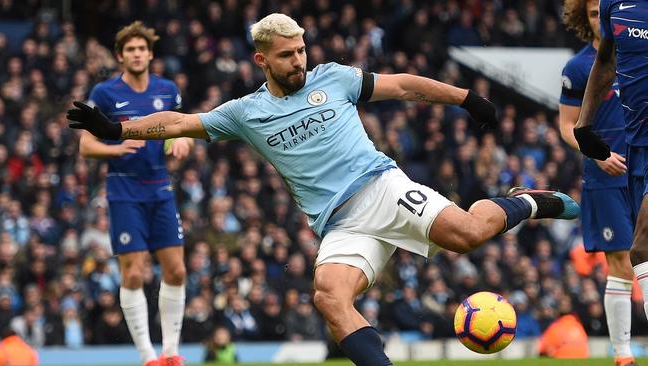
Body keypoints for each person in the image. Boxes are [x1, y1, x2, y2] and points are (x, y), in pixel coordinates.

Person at [68, 13, 580, 366]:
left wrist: (466, 98)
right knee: (329, 298)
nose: (299, 60)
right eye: (287, 55)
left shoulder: (332, 78)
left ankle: (529, 200)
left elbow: (402, 85)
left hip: (381, 187)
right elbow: (179, 121)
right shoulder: (244, 114)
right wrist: (120, 130)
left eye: (302, 50)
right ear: (261, 60)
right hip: (340, 223)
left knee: (467, 233)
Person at [78, 21, 192, 366]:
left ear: (150, 53)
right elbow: (85, 145)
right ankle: (147, 356)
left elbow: (179, 128)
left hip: (160, 189)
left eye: (142, 48)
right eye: (130, 49)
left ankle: (170, 353)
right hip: (124, 191)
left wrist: (182, 140)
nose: (137, 54)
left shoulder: (167, 89)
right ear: (120, 56)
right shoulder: (104, 93)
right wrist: (117, 147)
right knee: (133, 273)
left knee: (176, 271)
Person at [559, 1, 636, 365]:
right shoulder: (577, 68)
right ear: (584, 18)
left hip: (641, 168)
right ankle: (623, 354)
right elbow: (566, 126)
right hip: (604, 179)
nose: (599, 19)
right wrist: (596, 154)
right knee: (619, 260)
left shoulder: (637, 53)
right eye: (592, 13)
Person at [574, 0, 648, 349]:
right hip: (634, 152)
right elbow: (606, 60)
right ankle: (623, 354)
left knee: (640, 248)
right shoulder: (613, 5)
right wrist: (583, 124)